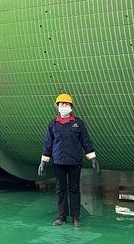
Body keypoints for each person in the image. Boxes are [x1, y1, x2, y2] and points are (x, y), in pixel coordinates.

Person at [38, 94, 98, 228]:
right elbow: (48, 143)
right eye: (61, 104)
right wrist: (43, 162)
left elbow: (85, 141)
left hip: (74, 162)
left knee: (74, 189)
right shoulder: (53, 124)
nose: (64, 106)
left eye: (66, 104)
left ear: (71, 106)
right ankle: (61, 217)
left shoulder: (78, 123)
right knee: (60, 189)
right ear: (57, 107)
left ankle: (76, 218)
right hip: (58, 162)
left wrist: (92, 158)